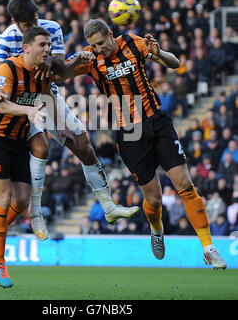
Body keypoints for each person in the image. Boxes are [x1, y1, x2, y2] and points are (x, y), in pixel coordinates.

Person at [56, 18, 227, 269]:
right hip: (129, 133)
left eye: (101, 42)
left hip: (157, 122)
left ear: (110, 34)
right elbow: (60, 75)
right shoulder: (90, 57)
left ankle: (209, 248)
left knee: (185, 185)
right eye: (93, 44)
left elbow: (174, 63)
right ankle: (157, 230)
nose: (99, 48)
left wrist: (159, 53)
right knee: (154, 199)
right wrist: (76, 61)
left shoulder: (134, 43)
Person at [0, 0, 139, 240]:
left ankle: (108, 206)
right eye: (27, 26)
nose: (33, 27)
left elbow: (57, 69)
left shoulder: (51, 29)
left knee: (84, 145)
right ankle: (35, 214)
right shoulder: (6, 37)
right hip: (21, 99)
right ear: (15, 22)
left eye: (34, 20)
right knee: (40, 147)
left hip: (47, 94)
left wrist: (73, 60)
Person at [0, 26, 55, 288]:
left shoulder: (44, 74)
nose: (47, 49)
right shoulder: (8, 69)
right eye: (42, 45)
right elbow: (2, 105)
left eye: (49, 45)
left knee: (21, 202)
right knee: (3, 198)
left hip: (19, 140)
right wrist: (30, 111)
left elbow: (63, 76)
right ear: (27, 48)